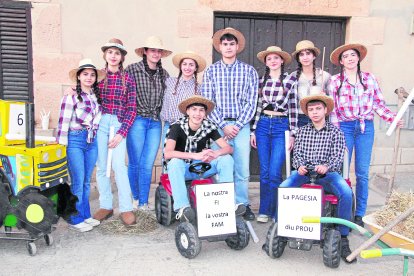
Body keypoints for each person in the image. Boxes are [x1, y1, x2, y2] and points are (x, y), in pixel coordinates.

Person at [328, 43, 403, 227]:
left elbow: (378, 104)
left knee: (362, 173)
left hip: (365, 128)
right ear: (341, 61)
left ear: (358, 58)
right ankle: (341, 210)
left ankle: (359, 213)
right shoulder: (335, 81)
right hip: (344, 127)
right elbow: (333, 110)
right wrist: (337, 133)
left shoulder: (369, 79)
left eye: (353, 55)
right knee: (340, 170)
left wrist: (391, 118)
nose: (350, 58)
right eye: (346, 56)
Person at [279, 92, 355, 263]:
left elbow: (338, 155)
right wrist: (299, 165)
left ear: (325, 110)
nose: (314, 112)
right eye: (311, 109)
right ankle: (281, 228)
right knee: (283, 188)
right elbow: (297, 153)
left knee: (346, 193)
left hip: (328, 174)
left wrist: (327, 166)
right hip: (305, 173)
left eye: (318, 108)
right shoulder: (303, 132)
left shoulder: (336, 132)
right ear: (307, 113)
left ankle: (343, 237)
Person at [201, 27, 259, 220]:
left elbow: (252, 102)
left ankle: (242, 204)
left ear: (237, 47)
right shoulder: (211, 71)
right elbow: (207, 102)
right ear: (219, 47)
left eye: (231, 44)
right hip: (217, 126)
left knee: (242, 169)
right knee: (220, 164)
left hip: (241, 127)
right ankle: (223, 205)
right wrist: (223, 125)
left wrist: (238, 125)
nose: (228, 47)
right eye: (224, 44)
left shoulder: (249, 71)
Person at [164, 95, 234, 221]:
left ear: (205, 113)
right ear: (188, 111)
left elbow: (229, 148)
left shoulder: (209, 127)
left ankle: (227, 203)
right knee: (174, 162)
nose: (198, 113)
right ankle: (183, 208)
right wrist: (195, 155)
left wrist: (215, 153)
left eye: (201, 110)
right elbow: (168, 153)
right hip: (183, 169)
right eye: (194, 109)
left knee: (227, 159)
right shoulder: (177, 127)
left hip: (202, 167)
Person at [56, 58, 106, 232]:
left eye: (92, 75)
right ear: (78, 77)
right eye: (85, 74)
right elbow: (63, 122)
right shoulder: (70, 97)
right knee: (77, 180)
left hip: (91, 141)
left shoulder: (95, 97)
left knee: (86, 181)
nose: (89, 77)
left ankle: (85, 215)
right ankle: (74, 218)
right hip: (75, 140)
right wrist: (61, 145)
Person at [250, 46, 298, 223]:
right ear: (266, 62)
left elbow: (293, 108)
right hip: (263, 124)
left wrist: (292, 133)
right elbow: (257, 107)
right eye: (269, 59)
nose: (273, 61)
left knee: (275, 171)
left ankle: (278, 211)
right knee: (264, 172)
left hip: (281, 126)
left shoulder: (290, 80)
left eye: (276, 58)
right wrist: (253, 130)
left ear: (282, 60)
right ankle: (264, 211)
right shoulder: (261, 81)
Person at [92, 38, 137, 226]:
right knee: (102, 167)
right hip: (101, 122)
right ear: (105, 54)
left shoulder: (128, 79)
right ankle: (106, 205)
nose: (113, 56)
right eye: (110, 52)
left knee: (119, 166)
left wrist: (122, 132)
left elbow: (132, 108)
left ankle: (126, 208)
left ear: (122, 57)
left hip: (118, 123)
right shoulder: (98, 76)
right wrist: (73, 90)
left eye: (117, 53)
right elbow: (85, 93)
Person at [125, 36, 171, 211]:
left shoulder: (164, 75)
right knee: (135, 162)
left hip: (154, 122)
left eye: (159, 51)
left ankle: (143, 202)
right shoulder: (132, 70)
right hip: (137, 119)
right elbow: (116, 85)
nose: (156, 54)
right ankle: (135, 198)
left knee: (148, 163)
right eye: (152, 50)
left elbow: (170, 97)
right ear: (145, 51)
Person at [160, 51, 206, 145]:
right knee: (167, 157)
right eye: (184, 64)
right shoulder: (169, 82)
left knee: (185, 157)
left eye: (191, 65)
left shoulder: (200, 89)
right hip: (169, 126)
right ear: (180, 66)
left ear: (196, 68)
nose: (187, 67)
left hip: (188, 128)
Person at [291, 40, 331, 127]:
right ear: (298, 58)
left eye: (308, 53)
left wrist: (325, 98)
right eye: (301, 55)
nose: (305, 57)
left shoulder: (325, 76)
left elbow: (331, 101)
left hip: (319, 119)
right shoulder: (292, 77)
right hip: (299, 119)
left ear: (314, 56)